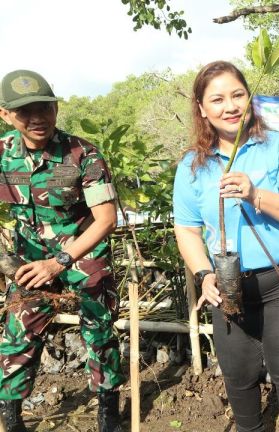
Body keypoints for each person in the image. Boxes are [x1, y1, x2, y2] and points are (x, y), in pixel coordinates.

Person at [173, 61, 279, 432]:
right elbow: (188, 230)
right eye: (218, 99)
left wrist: (256, 194)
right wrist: (205, 274)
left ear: (250, 99)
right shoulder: (192, 166)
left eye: (238, 95)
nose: (230, 106)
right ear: (202, 109)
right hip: (227, 287)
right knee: (238, 376)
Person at [0, 70, 124, 432]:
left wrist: (59, 262)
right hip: (28, 258)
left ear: (55, 108)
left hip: (82, 252)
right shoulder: (3, 155)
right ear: (5, 114)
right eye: (26, 111)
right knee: (17, 332)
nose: (37, 118)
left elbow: (105, 219)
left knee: (99, 329)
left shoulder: (82, 154)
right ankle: (12, 416)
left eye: (45, 108)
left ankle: (107, 415)